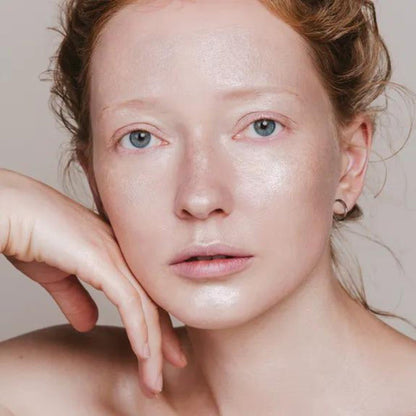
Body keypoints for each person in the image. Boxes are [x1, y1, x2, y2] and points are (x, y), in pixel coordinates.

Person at [0, 0, 416, 414]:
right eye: (140, 137)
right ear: (94, 179)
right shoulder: (31, 396)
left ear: (349, 161)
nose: (200, 199)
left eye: (262, 126)